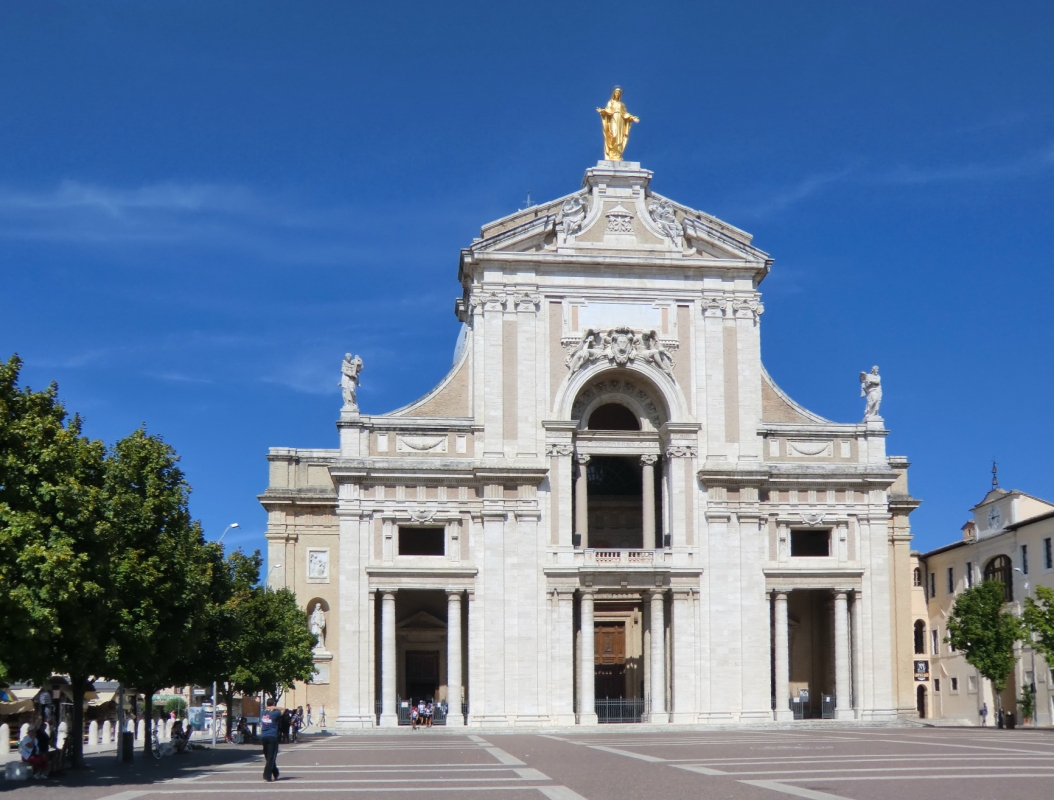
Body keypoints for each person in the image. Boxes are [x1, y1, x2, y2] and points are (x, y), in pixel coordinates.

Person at [260, 698, 282, 782]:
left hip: (264, 736)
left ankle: (275, 772)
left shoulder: (263, 713)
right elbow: (284, 710)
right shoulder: (275, 713)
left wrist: (267, 707)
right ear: (273, 704)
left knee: (268, 756)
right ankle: (267, 775)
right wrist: (275, 708)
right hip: (272, 736)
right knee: (271, 757)